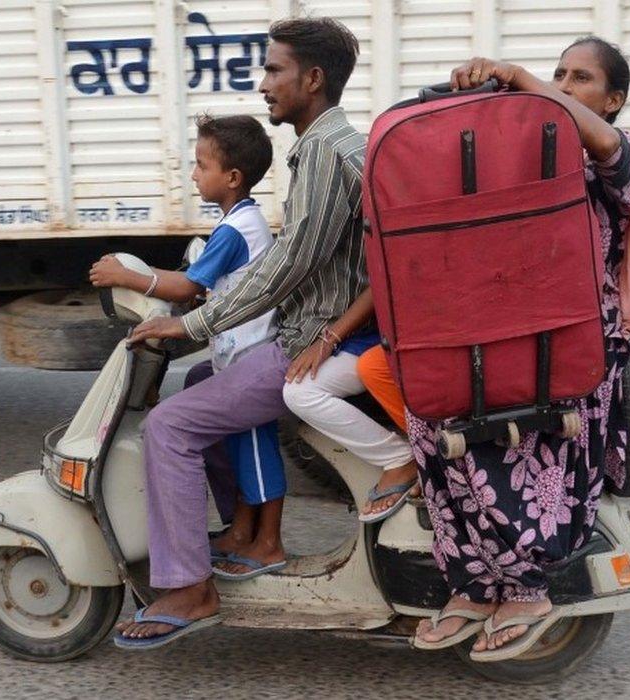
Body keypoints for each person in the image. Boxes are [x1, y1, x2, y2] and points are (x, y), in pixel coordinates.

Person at [362, 37, 630, 658]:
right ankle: (472, 585)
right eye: (558, 74)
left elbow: (606, 145)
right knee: (438, 431)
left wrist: (517, 79)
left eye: (583, 79)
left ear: (613, 100)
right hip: (494, 337)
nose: (566, 86)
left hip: (571, 350)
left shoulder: (614, 162)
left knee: (527, 452)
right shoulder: (528, 154)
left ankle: (526, 589)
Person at [113, 17, 365, 649]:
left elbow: (290, 264)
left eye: (275, 70)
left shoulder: (329, 156)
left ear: (312, 79)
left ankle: (189, 588)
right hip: (301, 331)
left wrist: (193, 320)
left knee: (168, 426)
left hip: (301, 340)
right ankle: (242, 532)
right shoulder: (324, 151)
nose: (264, 84)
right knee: (202, 378)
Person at [89, 114, 286, 572]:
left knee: (255, 452)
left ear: (232, 178)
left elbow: (188, 288)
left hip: (252, 361)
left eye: (201, 165)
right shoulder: (240, 223)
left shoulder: (238, 229)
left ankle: (269, 542)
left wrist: (127, 277)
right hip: (237, 357)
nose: (194, 174)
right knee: (235, 440)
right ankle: (241, 531)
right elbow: (204, 287)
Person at [282, 287, 419, 523]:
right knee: (299, 391)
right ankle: (408, 456)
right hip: (372, 331)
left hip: (414, 325)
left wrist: (328, 339)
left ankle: (412, 460)